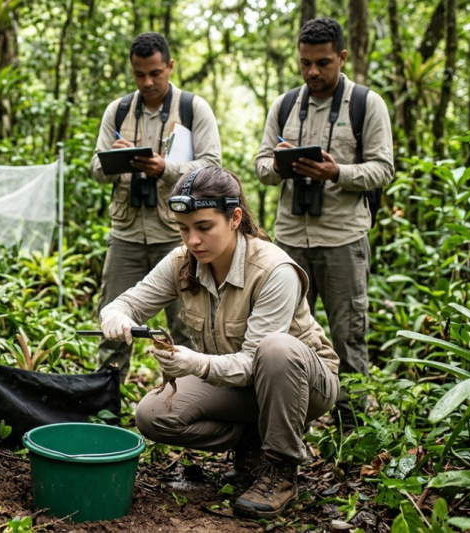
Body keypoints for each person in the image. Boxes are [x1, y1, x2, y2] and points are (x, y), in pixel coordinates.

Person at [99, 167, 340, 518]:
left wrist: (195, 363)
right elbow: (128, 303)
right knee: (153, 415)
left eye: (204, 227)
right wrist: (116, 315)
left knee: (276, 349)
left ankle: (281, 469)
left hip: (303, 385)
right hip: (237, 382)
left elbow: (254, 361)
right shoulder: (183, 261)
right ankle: (253, 441)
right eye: (183, 229)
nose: (193, 240)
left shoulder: (274, 270)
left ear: (234, 218)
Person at [255, 18, 394, 425]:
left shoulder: (366, 104)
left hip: (342, 239)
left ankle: (351, 427)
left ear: (342, 57)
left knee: (348, 335)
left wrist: (336, 173)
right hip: (290, 240)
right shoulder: (284, 105)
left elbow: (383, 169)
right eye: (305, 63)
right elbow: (261, 165)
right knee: (283, 334)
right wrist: (281, 164)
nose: (313, 71)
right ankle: (290, 420)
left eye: (323, 63)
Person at [91, 32, 222, 381]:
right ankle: (106, 401)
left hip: (178, 236)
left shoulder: (193, 109)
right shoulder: (118, 111)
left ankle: (193, 401)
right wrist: (116, 159)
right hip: (127, 235)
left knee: (187, 327)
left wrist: (166, 169)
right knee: (114, 326)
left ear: (170, 66)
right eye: (139, 74)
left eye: (155, 73)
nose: (147, 82)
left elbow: (212, 166)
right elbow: (96, 169)